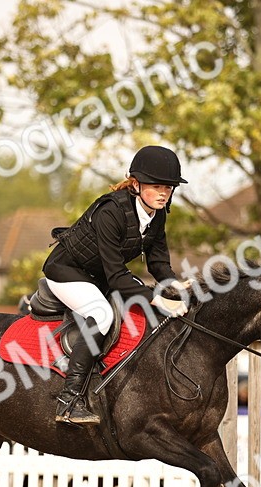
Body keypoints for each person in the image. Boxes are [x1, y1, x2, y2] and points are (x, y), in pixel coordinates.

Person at [41, 145, 190, 424]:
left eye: (168, 188)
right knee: (102, 314)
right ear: (135, 184)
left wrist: (177, 288)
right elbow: (116, 277)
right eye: (156, 186)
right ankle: (69, 399)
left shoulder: (156, 216)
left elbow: (158, 264)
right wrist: (156, 298)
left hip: (99, 277)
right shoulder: (110, 211)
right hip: (67, 272)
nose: (163, 193)